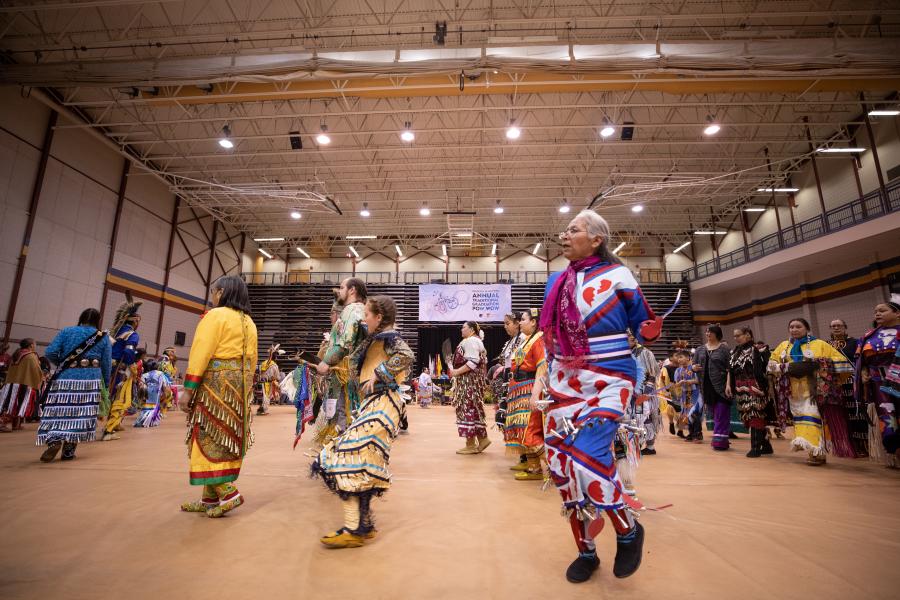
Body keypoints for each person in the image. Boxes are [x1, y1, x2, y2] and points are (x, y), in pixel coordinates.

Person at [540, 209, 660, 584]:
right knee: (563, 468)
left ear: (596, 239)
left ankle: (627, 530)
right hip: (564, 379)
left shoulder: (619, 275)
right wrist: (545, 376)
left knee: (587, 458)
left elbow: (643, 324)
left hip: (610, 378)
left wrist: (650, 330)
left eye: (573, 230)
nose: (564, 234)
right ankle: (586, 552)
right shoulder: (555, 281)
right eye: (565, 229)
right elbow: (551, 337)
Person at [312, 295, 414, 548]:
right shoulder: (375, 339)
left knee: (342, 455)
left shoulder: (389, 339)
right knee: (362, 462)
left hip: (383, 403)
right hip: (377, 404)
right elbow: (348, 354)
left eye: (367, 314)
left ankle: (353, 528)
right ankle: (363, 525)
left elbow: (406, 355)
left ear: (379, 318)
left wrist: (380, 374)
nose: (363, 318)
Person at [179, 276, 257, 518]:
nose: (212, 296)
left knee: (207, 432)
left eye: (214, 291)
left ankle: (228, 492)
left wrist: (188, 389)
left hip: (215, 382)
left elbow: (201, 351)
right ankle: (210, 500)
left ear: (221, 292)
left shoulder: (215, 316)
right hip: (238, 387)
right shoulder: (249, 322)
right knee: (223, 435)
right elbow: (252, 362)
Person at [768, 317, 852, 466]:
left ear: (807, 329)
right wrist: (781, 367)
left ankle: (817, 452)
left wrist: (818, 365)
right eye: (792, 327)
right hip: (792, 391)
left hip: (813, 390)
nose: (794, 329)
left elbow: (840, 362)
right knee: (800, 419)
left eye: (798, 327)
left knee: (812, 417)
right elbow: (771, 363)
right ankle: (812, 450)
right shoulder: (784, 346)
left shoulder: (819, 344)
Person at [37, 308, 111, 462]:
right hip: (90, 380)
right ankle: (69, 451)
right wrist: (105, 382)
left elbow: (50, 352)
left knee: (58, 410)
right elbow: (106, 363)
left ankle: (54, 440)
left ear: (81, 318)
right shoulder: (103, 337)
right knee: (80, 413)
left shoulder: (67, 331)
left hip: (66, 377)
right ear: (98, 321)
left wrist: (63, 364)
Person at [315, 278, 367, 443]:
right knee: (354, 415)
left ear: (352, 290)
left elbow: (344, 344)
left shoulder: (351, 311)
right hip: (358, 374)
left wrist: (325, 362)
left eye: (343, 287)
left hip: (349, 375)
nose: (340, 289)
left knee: (346, 416)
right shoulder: (362, 310)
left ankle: (347, 453)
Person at [855, 299, 900, 465]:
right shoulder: (869, 336)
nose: (877, 313)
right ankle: (895, 452)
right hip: (880, 384)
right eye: (876, 311)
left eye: (882, 310)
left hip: (898, 381)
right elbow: (861, 360)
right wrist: (864, 373)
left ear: (897, 313)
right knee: (889, 422)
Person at [506, 308, 548, 480]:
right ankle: (534, 468)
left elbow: (542, 368)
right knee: (523, 429)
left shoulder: (539, 340)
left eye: (523, 319)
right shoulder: (526, 340)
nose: (520, 322)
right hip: (520, 389)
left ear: (533, 322)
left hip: (530, 388)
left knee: (530, 430)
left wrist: (535, 395)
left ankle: (555, 469)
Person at [100, 298, 142, 441]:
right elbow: (129, 352)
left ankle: (115, 424)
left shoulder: (114, 332)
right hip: (121, 369)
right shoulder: (132, 334)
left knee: (111, 395)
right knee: (120, 397)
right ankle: (109, 430)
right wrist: (131, 365)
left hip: (108, 368)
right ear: (135, 321)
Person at [726, 327, 771, 458]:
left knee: (755, 414)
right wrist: (728, 385)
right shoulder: (735, 352)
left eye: (738, 335)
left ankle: (755, 447)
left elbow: (766, 369)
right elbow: (730, 370)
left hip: (755, 386)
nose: (736, 338)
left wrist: (765, 387)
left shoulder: (757, 349)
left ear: (748, 335)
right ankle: (766, 445)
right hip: (740, 387)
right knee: (748, 415)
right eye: (734, 336)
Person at [449, 321, 491, 454]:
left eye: (464, 327)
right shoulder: (475, 340)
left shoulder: (470, 341)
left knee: (467, 408)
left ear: (472, 329)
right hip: (473, 382)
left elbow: (472, 362)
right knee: (474, 408)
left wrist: (456, 372)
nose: (461, 329)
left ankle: (470, 444)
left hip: (468, 382)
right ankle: (482, 439)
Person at [692, 325, 731, 450]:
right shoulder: (700, 349)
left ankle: (720, 442)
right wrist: (694, 368)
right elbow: (693, 365)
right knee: (714, 413)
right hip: (706, 385)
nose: (708, 334)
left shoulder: (724, 349)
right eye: (707, 331)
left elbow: (730, 368)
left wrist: (728, 385)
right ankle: (721, 438)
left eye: (711, 332)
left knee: (722, 411)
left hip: (722, 385)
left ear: (717, 334)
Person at [495, 312, 525, 468]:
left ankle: (527, 457)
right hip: (509, 380)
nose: (505, 326)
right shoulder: (511, 341)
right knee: (508, 417)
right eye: (504, 323)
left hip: (518, 381)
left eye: (508, 323)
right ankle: (523, 456)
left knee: (520, 417)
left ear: (517, 323)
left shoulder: (523, 339)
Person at [0, 338, 43, 432]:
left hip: (12, 383)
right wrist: (40, 379)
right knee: (18, 403)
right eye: (34, 344)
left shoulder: (16, 354)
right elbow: (36, 370)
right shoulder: (31, 356)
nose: (35, 346)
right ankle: (2, 423)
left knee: (13, 403)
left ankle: (16, 425)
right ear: (31, 345)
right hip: (23, 382)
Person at [629, 333, 661, 455]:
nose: (632, 337)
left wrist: (647, 392)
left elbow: (652, 374)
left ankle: (645, 445)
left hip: (641, 392)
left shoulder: (645, 353)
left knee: (641, 418)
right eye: (628, 335)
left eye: (633, 335)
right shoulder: (622, 352)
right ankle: (640, 445)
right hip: (628, 392)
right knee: (633, 418)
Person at [134, 359, 171, 428]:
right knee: (154, 406)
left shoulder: (145, 374)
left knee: (146, 406)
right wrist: (165, 392)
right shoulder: (160, 374)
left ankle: (143, 420)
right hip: (156, 391)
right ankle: (151, 421)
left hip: (147, 391)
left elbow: (141, 385)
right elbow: (164, 384)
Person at [257, 344, 282, 415]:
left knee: (264, 396)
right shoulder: (274, 365)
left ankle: (261, 409)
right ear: (275, 357)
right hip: (268, 383)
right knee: (266, 397)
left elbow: (259, 371)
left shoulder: (264, 363)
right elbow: (277, 376)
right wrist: (277, 380)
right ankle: (262, 410)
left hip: (261, 381)